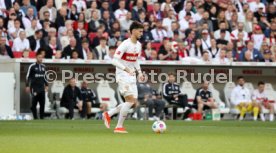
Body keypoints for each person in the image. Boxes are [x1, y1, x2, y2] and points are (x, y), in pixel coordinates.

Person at [102, 21, 145, 133]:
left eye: (142, 31)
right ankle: (118, 127)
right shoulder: (125, 44)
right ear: (133, 31)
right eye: (140, 31)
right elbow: (114, 61)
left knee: (133, 103)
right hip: (122, 75)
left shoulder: (139, 45)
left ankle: (109, 114)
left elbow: (135, 60)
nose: (141, 33)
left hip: (131, 76)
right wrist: (126, 69)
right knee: (130, 101)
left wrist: (139, 72)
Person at [25, 51, 48, 119]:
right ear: (36, 58)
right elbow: (27, 76)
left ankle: (41, 117)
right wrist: (27, 86)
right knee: (34, 104)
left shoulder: (44, 66)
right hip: (34, 88)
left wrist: (46, 85)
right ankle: (35, 117)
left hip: (42, 88)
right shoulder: (32, 66)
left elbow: (45, 77)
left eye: (41, 57)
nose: (41, 59)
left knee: (42, 103)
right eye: (39, 57)